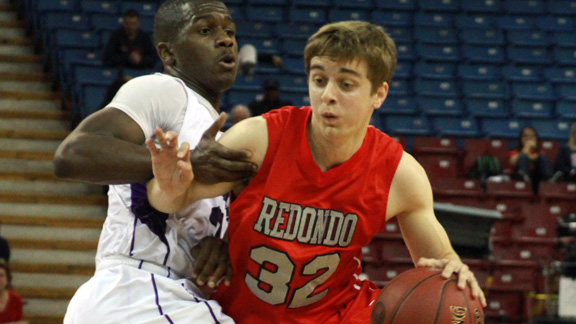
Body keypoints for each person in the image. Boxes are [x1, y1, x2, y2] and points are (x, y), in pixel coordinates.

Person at [146, 21, 487, 324]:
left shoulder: (400, 174)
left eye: (346, 85)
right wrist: (168, 183)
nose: (328, 96)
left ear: (379, 94)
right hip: (239, 310)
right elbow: (169, 200)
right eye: (319, 80)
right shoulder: (260, 139)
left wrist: (453, 269)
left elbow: (437, 261)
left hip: (339, 312)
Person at [53, 0, 257, 323]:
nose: (226, 39)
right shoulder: (162, 90)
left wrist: (222, 248)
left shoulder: (217, 137)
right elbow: (73, 153)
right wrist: (179, 165)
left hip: (159, 297)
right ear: (168, 53)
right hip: (140, 293)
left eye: (230, 31)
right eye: (206, 31)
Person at [509, 126, 554, 193]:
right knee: (523, 157)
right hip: (521, 184)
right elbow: (513, 162)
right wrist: (527, 148)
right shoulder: (515, 152)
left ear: (536, 139)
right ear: (521, 139)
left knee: (542, 157)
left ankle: (551, 181)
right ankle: (525, 179)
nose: (529, 139)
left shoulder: (541, 154)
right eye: (525, 136)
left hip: (539, 180)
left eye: (532, 136)